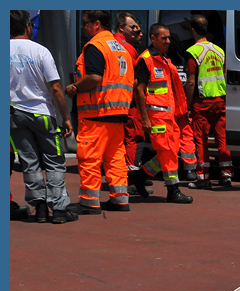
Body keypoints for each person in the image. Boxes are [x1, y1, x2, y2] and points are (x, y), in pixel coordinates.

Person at [10, 9, 78, 223]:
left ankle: (39, 207)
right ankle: (58, 209)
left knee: (29, 162)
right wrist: (65, 117)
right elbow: (55, 87)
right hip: (41, 114)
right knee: (54, 162)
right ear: (28, 27)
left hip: (14, 115)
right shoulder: (40, 51)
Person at [65, 10, 134, 214]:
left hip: (97, 113)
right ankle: (120, 199)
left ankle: (89, 202)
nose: (83, 27)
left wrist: (75, 88)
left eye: (85, 23)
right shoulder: (120, 48)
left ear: (97, 24)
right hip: (118, 113)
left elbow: (94, 78)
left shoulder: (95, 46)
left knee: (90, 158)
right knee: (115, 159)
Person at [130, 23, 193, 203]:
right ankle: (173, 189)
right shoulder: (146, 60)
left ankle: (141, 175)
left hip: (169, 116)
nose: (167, 41)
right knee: (167, 151)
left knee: (172, 150)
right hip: (156, 117)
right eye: (163, 38)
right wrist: (145, 119)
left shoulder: (164, 59)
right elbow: (139, 90)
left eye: (168, 38)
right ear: (153, 38)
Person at [185, 14, 232, 188]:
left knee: (201, 140)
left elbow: (191, 82)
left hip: (202, 102)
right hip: (219, 100)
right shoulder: (219, 51)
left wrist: (188, 104)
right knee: (222, 139)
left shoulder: (193, 52)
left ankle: (203, 178)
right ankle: (226, 175)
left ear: (192, 30)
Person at [114, 11, 147, 177]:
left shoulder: (108, 43)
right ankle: (132, 177)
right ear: (121, 27)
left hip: (111, 103)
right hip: (128, 102)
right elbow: (134, 81)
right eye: (133, 27)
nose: (138, 32)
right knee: (135, 138)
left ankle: (123, 174)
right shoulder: (128, 48)